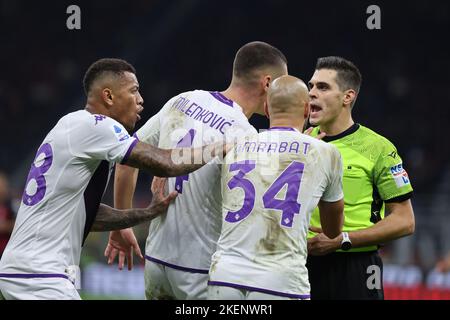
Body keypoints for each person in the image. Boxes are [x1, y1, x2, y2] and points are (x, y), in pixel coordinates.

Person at [0, 58, 224, 300]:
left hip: (26, 271)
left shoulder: (73, 127)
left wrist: (145, 213)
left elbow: (89, 215)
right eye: (134, 90)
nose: (141, 100)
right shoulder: (97, 126)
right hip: (40, 275)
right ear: (108, 96)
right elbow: (164, 162)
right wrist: (216, 148)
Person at [108, 41, 288, 299]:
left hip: (157, 261)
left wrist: (122, 223)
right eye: (281, 86)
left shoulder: (183, 100)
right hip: (202, 270)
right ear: (267, 83)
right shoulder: (245, 136)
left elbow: (126, 158)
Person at [207, 75, 344, 300]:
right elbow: (332, 231)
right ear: (307, 109)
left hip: (226, 274)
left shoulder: (235, 146)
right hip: (281, 280)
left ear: (267, 109)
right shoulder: (325, 152)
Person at [305, 56, 415, 300]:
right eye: (311, 85)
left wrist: (341, 240)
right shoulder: (299, 142)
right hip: (300, 266)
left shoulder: (378, 148)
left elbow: (405, 221)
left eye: (322, 87)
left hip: (355, 268)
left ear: (347, 97)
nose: (312, 93)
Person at [0, 172, 16, 259]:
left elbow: (20, 225)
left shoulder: (11, 205)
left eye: (3, 186)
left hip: (7, 253)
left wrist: (5, 226)